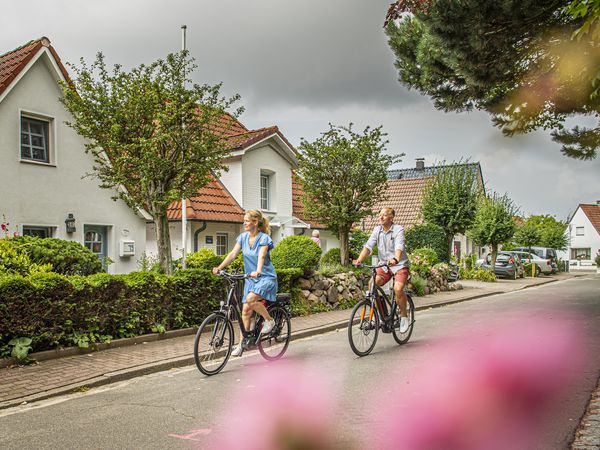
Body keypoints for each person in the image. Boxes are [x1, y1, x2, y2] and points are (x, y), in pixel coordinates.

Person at [213, 210, 277, 356]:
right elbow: (233, 254)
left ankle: (269, 321)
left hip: (265, 277)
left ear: (255, 222)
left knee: (250, 300)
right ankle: (242, 344)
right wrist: (219, 268)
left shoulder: (264, 238)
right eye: (244, 220)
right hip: (251, 278)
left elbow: (261, 255)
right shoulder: (242, 237)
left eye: (247, 221)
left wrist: (258, 270)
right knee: (246, 311)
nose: (244, 223)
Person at [353, 207, 411, 333]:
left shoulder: (398, 229)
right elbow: (368, 247)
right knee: (372, 284)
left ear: (391, 218)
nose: (381, 217)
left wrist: (396, 259)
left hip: (399, 265)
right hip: (384, 265)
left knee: (398, 289)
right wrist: (359, 260)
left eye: (384, 215)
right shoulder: (377, 230)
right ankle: (379, 316)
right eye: (380, 215)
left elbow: (399, 246)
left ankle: (404, 317)